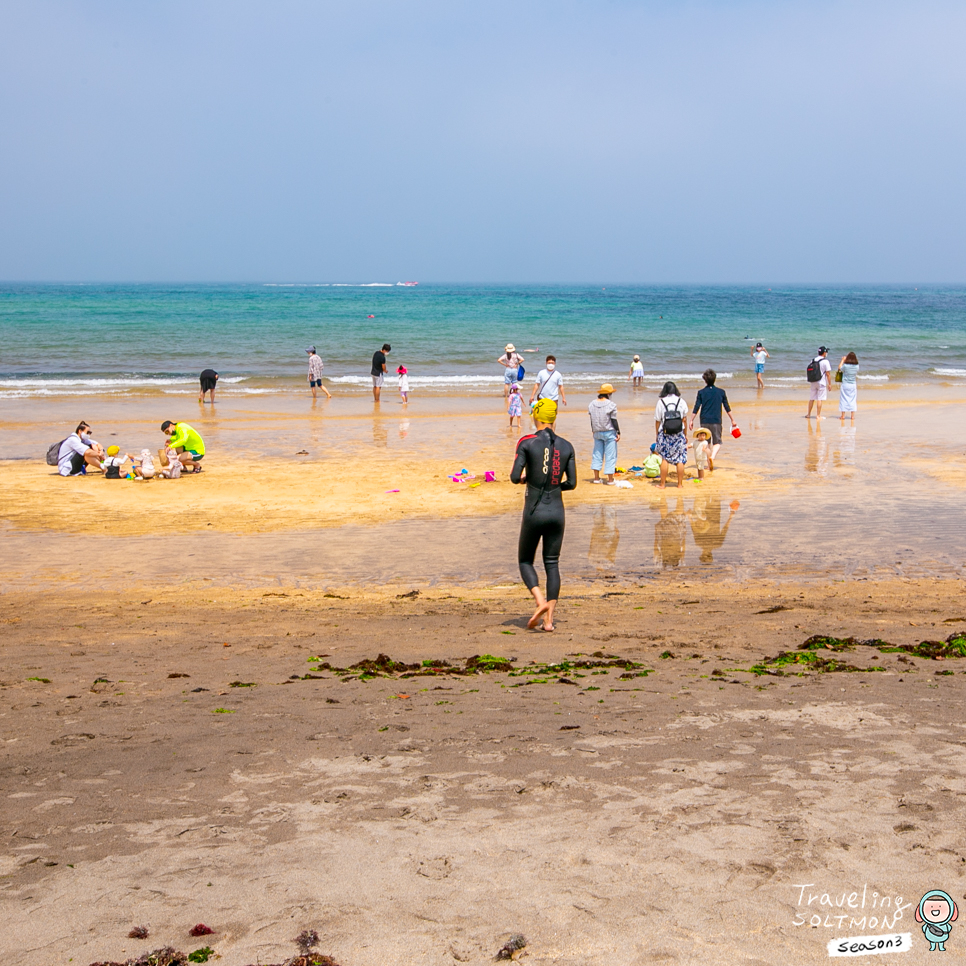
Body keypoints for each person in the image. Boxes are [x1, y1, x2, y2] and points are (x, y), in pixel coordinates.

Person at [510, 398, 577, 632]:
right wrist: (553, 485)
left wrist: (529, 479)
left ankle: (540, 602)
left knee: (525, 560)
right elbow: (572, 483)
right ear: (554, 418)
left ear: (535, 417)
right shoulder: (567, 446)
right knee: (552, 563)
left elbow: (514, 476)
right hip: (557, 512)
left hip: (534, 512)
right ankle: (549, 620)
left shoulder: (526, 443)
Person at [690, 369, 737, 462]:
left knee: (706, 442)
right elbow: (727, 407)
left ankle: (708, 463)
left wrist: (691, 420)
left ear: (705, 380)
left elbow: (696, 407)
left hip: (704, 420)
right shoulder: (721, 392)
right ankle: (713, 456)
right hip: (716, 420)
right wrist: (732, 420)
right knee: (717, 442)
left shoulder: (701, 392)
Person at [654, 381, 689, 489]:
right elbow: (684, 419)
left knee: (665, 458)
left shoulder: (661, 402)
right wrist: (685, 434)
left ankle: (662, 484)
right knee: (680, 459)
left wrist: (657, 434)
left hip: (665, 433)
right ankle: (679, 484)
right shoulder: (681, 401)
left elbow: (657, 420)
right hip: (678, 433)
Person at [588, 383, 620, 484]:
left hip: (597, 431)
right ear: (609, 394)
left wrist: (593, 429)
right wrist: (618, 432)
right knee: (610, 455)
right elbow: (614, 420)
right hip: (609, 432)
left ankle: (596, 478)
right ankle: (610, 479)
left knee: (597, 454)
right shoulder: (611, 405)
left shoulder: (591, 404)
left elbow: (592, 419)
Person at [806, 346, 832, 419]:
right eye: (826, 352)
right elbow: (828, 374)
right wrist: (829, 384)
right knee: (819, 399)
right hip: (821, 382)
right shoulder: (825, 361)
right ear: (824, 353)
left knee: (811, 398)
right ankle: (818, 415)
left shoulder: (813, 360)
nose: (826, 353)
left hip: (813, 381)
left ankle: (808, 414)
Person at [837, 351, 859, 424]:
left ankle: (843, 415)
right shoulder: (857, 366)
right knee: (852, 399)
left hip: (845, 384)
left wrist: (842, 360)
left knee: (843, 399)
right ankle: (852, 416)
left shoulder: (845, 365)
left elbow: (839, 368)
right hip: (853, 384)